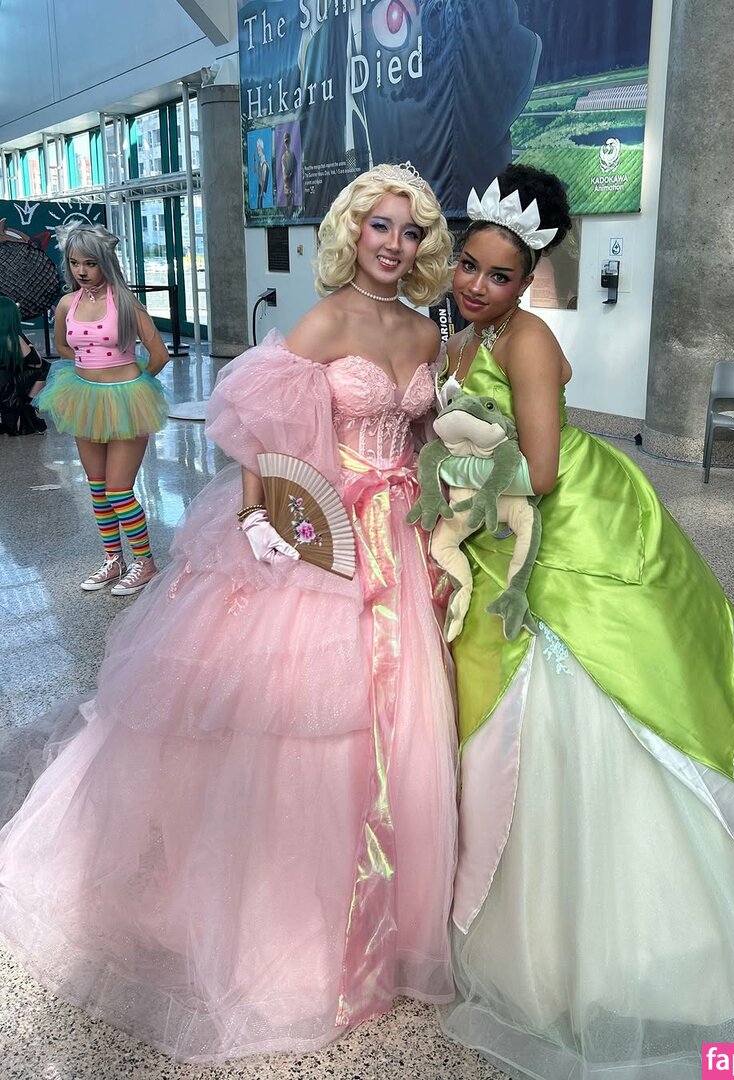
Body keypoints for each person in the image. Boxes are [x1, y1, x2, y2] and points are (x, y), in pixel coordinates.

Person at [0, 163, 457, 1063]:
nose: (395, 245)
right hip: (322, 537)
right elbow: (259, 435)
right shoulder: (324, 323)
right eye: (381, 226)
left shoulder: (424, 328)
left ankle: (395, 912)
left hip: (402, 536)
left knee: (401, 716)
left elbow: (421, 433)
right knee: (306, 712)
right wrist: (261, 524)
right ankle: (297, 918)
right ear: (352, 231)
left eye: (411, 231)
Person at [428, 165, 734, 1079]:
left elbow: (540, 472)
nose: (477, 285)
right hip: (498, 524)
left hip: (560, 523)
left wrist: (454, 494)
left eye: (500, 275)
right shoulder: (463, 338)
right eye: (469, 265)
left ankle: (651, 939)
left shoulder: (526, 342)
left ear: (531, 277)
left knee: (601, 690)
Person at [35, 223, 170, 594]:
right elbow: (63, 347)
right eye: (74, 262)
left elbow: (159, 355)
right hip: (84, 397)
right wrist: (89, 363)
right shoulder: (68, 304)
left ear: (105, 262)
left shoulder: (125, 302)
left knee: (118, 490)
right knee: (97, 488)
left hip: (126, 401)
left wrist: (135, 386)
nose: (81, 271)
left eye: (90, 263)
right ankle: (114, 559)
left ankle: (145, 562)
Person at [0, 295, 49, 436]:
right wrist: (28, 343)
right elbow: (37, 362)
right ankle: (28, 404)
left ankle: (23, 406)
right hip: (6, 390)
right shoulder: (13, 338)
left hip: (4, 388)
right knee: (46, 368)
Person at [255, 137, 270, 209]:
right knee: (259, 204)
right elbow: (256, 172)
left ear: (262, 149)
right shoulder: (259, 163)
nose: (258, 152)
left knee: (260, 204)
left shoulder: (264, 164)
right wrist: (254, 160)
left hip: (262, 188)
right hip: (260, 186)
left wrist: (261, 192)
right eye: (257, 150)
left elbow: (263, 180)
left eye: (259, 150)